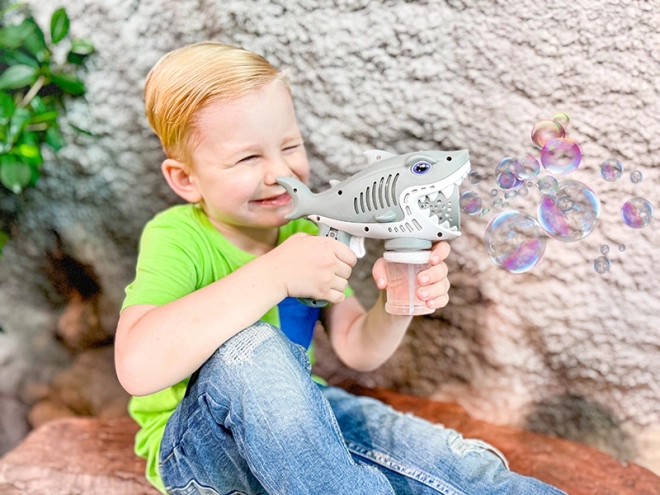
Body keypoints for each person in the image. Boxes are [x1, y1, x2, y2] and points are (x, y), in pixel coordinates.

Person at [115, 41, 566, 495]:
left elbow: (357, 349)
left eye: (290, 146)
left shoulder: (302, 236)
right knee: (253, 347)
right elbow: (137, 367)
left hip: (302, 430)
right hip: (203, 450)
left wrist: (395, 303)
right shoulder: (177, 236)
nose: (279, 171)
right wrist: (274, 274)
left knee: (459, 467)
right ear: (186, 179)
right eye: (249, 158)